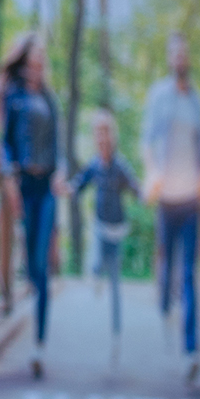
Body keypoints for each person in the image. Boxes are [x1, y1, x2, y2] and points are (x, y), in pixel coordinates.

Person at [0, 32, 67, 378]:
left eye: (43, 56)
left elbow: (59, 147)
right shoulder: (14, 95)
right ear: (24, 60)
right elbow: (5, 143)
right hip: (23, 185)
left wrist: (60, 173)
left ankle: (39, 343)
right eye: (35, 54)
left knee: (40, 263)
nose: (39, 60)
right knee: (32, 263)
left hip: (47, 188)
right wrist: (9, 179)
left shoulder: (50, 99)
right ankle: (31, 315)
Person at [140, 32, 200, 383]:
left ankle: (191, 349)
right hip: (166, 198)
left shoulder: (197, 101)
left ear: (188, 59)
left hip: (192, 198)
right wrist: (152, 174)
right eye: (175, 53)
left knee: (189, 272)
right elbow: (147, 141)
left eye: (185, 53)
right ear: (170, 59)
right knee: (167, 263)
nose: (180, 58)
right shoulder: (159, 97)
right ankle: (164, 307)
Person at [67, 111, 140, 367]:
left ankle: (116, 334)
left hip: (117, 229)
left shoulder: (120, 166)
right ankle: (94, 274)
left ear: (112, 136)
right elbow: (79, 183)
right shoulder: (94, 164)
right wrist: (68, 189)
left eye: (106, 132)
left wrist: (146, 193)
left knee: (116, 282)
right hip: (99, 227)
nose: (102, 138)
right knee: (96, 262)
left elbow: (135, 186)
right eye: (98, 133)